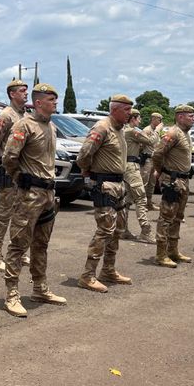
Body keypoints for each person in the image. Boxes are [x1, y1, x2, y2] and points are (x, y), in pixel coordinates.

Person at [1, 83, 66, 317]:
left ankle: (40, 288)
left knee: (41, 244)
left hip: (48, 194)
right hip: (29, 194)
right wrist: (20, 178)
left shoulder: (52, 127)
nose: (55, 102)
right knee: (19, 244)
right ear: (38, 103)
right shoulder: (24, 125)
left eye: (55, 99)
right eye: (50, 99)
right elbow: (9, 157)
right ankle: (12, 293)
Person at [76, 94, 134, 291]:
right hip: (104, 185)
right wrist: (87, 171)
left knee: (117, 230)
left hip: (119, 185)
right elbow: (84, 154)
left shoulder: (120, 129)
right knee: (105, 230)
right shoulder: (102, 127)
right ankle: (88, 275)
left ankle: (108, 270)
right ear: (114, 109)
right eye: (126, 110)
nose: (130, 113)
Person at [0, 78, 30, 271]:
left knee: (22, 215)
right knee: (4, 215)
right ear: (12, 94)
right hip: (8, 172)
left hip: (24, 173)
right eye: (22, 90)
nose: (26, 93)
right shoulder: (6, 115)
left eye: (26, 90)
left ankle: (19, 252)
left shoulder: (26, 115)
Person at [151, 105, 194, 267]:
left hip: (183, 180)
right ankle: (161, 254)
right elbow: (157, 153)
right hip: (172, 180)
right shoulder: (173, 133)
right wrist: (160, 171)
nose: (193, 119)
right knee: (166, 218)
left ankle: (173, 251)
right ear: (180, 117)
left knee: (178, 217)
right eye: (190, 116)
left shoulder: (185, 134)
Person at [122, 109, 154, 243]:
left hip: (126, 166)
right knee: (141, 198)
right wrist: (156, 130)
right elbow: (151, 141)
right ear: (133, 118)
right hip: (131, 167)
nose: (140, 121)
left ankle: (122, 229)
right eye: (139, 118)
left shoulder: (124, 131)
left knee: (126, 200)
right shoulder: (131, 131)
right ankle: (145, 231)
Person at [141, 112, 164, 210]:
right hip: (147, 159)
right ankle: (142, 204)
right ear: (153, 119)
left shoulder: (157, 131)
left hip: (154, 159)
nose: (160, 122)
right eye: (159, 120)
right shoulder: (147, 130)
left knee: (152, 182)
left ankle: (149, 203)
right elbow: (144, 144)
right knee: (144, 182)